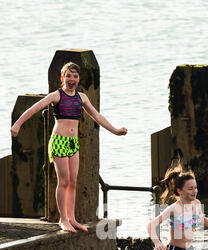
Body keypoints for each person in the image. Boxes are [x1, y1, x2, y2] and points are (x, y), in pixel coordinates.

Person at [10, 62, 127, 233]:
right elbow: (34, 108)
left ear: (78, 79)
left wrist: (116, 131)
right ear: (62, 78)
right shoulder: (56, 95)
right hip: (58, 141)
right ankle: (62, 219)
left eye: (75, 76)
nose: (72, 79)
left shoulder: (82, 98)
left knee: (73, 181)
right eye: (68, 76)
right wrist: (17, 124)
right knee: (63, 181)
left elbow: (97, 116)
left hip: (73, 143)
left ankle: (71, 218)